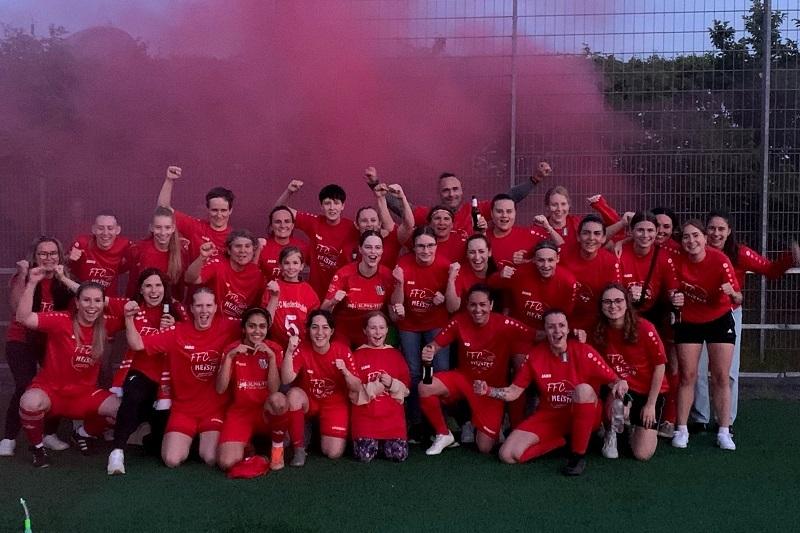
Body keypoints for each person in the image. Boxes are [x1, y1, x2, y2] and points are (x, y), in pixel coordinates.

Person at [475, 309, 626, 476]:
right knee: (507, 455)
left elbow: (615, 380)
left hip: (584, 413)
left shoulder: (584, 351)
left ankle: (578, 456)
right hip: (551, 415)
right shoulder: (535, 355)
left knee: (583, 390)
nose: (557, 331)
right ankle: (560, 442)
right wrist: (488, 390)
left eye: (562, 326)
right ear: (545, 330)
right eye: (551, 327)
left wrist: (620, 385)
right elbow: (514, 392)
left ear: (568, 329)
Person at [690, 211, 799, 430]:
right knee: (697, 369)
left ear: (729, 231)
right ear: (704, 231)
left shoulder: (740, 253)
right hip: (698, 314)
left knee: (728, 371)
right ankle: (700, 418)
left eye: (721, 229)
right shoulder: (694, 249)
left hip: (729, 315)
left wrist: (791, 257)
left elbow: (770, 270)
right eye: (711, 228)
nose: (716, 233)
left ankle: (726, 420)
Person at [124, 288, 240, 468]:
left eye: (209, 305)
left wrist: (273, 298)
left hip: (214, 409)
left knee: (211, 458)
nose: (204, 311)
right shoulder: (177, 332)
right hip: (184, 409)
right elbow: (137, 343)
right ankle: (188, 440)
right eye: (199, 306)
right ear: (191, 309)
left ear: (216, 308)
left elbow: (257, 324)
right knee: (171, 460)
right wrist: (128, 318)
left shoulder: (228, 327)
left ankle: (201, 443)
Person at [16, 272, 124, 467]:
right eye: (86, 300)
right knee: (29, 402)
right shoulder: (62, 320)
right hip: (51, 392)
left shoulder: (108, 323)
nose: (92, 306)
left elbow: (131, 309)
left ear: (103, 303)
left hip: (84, 395)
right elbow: (23, 318)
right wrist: (31, 282)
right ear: (77, 302)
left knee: (123, 410)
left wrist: (108, 301)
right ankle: (37, 448)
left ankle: (82, 434)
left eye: (97, 301)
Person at [419, 285, 532, 455]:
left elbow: (533, 334)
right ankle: (443, 434)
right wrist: (429, 353)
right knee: (424, 386)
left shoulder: (505, 323)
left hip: (490, 389)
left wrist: (566, 337)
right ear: (467, 305)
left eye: (482, 305)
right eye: (473, 305)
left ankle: (491, 424)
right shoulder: (459, 321)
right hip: (463, 379)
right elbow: (434, 345)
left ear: (491, 305)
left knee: (484, 448)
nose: (477, 309)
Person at [105, 269, 187, 475]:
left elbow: (191, 335)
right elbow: (95, 297)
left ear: (164, 288)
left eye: (158, 285)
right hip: (141, 370)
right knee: (134, 395)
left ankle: (145, 433)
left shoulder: (176, 309)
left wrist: (176, 326)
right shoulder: (132, 307)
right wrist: (62, 278)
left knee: (159, 443)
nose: (153, 290)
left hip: (170, 377)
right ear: (140, 289)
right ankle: (117, 451)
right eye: (148, 286)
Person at [669, 219, 741, 451]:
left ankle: (723, 431)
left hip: (719, 319)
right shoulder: (676, 260)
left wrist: (732, 292)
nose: (691, 241)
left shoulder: (720, 259)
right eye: (686, 237)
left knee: (721, 376)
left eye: (696, 236)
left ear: (704, 238)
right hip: (689, 321)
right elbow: (671, 291)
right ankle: (682, 429)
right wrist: (674, 299)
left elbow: (738, 298)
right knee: (687, 376)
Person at [0, 238, 75, 457]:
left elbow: (83, 298)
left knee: (58, 383)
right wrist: (25, 277)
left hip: (50, 341)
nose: (48, 258)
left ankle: (49, 434)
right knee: (25, 384)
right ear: (35, 257)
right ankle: (9, 438)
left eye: (53, 253)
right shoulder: (27, 275)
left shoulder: (64, 280)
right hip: (21, 339)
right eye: (43, 254)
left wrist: (63, 277)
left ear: (60, 257)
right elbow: (15, 307)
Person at [368, 162, 552, 236]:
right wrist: (375, 184)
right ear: (440, 194)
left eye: (455, 189)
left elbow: (507, 199)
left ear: (462, 190)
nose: (451, 194)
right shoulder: (433, 215)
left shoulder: (475, 210)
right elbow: (402, 207)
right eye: (446, 190)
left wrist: (534, 180)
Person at [593, 284, 667, 461]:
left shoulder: (645, 328)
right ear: (601, 306)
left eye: (618, 301)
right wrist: (614, 381)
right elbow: (595, 366)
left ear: (627, 303)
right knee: (617, 404)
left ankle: (632, 426)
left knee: (642, 454)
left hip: (646, 392)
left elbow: (660, 366)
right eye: (607, 302)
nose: (613, 306)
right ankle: (611, 432)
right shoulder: (597, 331)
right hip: (618, 388)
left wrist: (650, 405)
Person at [391, 226, 451, 438]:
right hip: (410, 326)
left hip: (436, 324)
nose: (426, 250)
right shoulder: (403, 264)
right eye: (421, 246)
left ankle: (438, 423)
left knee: (438, 369)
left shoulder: (444, 266)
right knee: (415, 371)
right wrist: (399, 285)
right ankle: (416, 422)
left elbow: (452, 305)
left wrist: (443, 298)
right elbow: (395, 304)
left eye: (430, 245)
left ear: (436, 246)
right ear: (414, 248)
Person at [216, 307, 289, 472]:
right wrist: (229, 358)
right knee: (226, 463)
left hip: (266, 410)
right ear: (244, 328)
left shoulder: (274, 349)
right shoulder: (231, 349)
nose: (257, 331)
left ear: (267, 329)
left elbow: (274, 389)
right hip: (241, 412)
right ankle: (251, 450)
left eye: (262, 326)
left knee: (279, 400)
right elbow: (220, 389)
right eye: (252, 326)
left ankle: (277, 451)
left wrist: (270, 358)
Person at [280, 310, 355, 466]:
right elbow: (287, 379)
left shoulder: (342, 350)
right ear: (308, 330)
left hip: (334, 403)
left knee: (333, 453)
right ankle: (299, 449)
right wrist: (289, 352)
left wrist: (346, 373)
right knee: (293, 394)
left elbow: (357, 387)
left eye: (325, 327)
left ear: (332, 331)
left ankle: (312, 431)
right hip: (309, 400)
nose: (320, 332)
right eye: (315, 327)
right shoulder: (302, 348)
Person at [336, 312, 411, 462]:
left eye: (382, 328)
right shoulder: (355, 356)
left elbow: (406, 390)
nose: (378, 332)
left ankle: (385, 443)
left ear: (387, 330)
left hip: (392, 420)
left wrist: (392, 383)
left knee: (398, 455)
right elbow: (352, 394)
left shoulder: (395, 355)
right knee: (365, 456)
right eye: (373, 328)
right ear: (365, 330)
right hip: (366, 419)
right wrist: (372, 389)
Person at [275, 180, 360, 298]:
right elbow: (279, 212)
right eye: (327, 203)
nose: (332, 207)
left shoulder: (352, 228)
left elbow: (378, 230)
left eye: (336, 203)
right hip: (315, 292)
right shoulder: (314, 222)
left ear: (343, 206)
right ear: (321, 206)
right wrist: (289, 192)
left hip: (342, 292)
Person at [488, 240, 578, 337]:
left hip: (550, 334)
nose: (546, 265)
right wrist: (500, 276)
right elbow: (490, 284)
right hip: (522, 331)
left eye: (550, 260)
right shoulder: (521, 273)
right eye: (541, 260)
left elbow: (566, 316)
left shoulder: (568, 281)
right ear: (534, 260)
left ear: (557, 259)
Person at [322, 231, 393, 346]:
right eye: (368, 247)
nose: (373, 251)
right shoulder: (344, 274)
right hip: (344, 334)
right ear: (360, 249)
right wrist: (333, 302)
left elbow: (393, 316)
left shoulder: (387, 275)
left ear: (382, 250)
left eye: (378, 247)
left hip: (371, 335)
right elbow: (323, 311)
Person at [559, 214, 620, 333]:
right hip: (563, 321)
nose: (591, 238)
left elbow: (615, 296)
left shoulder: (610, 262)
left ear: (603, 238)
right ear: (578, 236)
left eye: (597, 234)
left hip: (597, 323)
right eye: (586, 233)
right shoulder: (562, 255)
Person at [157, 165, 234, 260]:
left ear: (230, 211)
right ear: (208, 209)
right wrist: (169, 180)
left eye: (223, 210)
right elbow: (163, 210)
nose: (219, 215)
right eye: (214, 210)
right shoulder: (195, 227)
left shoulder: (235, 237)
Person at [185, 229, 264, 319]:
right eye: (238, 246)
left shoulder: (257, 274)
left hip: (238, 327)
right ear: (229, 250)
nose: (243, 250)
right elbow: (190, 279)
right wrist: (202, 257)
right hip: (213, 323)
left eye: (247, 246)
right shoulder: (218, 264)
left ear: (253, 250)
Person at [340, 175, 414, 268]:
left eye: (373, 220)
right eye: (364, 221)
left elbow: (409, 225)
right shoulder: (349, 249)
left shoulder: (391, 239)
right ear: (356, 225)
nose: (369, 224)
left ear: (379, 224)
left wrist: (402, 198)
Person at [614, 211, 679, 313]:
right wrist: (627, 296)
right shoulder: (619, 253)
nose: (645, 235)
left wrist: (676, 298)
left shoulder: (664, 257)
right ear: (631, 231)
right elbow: (614, 291)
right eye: (640, 230)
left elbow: (672, 290)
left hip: (652, 311)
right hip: (623, 310)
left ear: (657, 231)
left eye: (650, 230)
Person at [125, 206, 190, 299]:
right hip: (141, 306)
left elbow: (180, 289)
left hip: (169, 308)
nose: (163, 233)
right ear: (151, 227)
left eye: (167, 227)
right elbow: (133, 284)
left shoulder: (182, 251)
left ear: (173, 228)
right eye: (158, 227)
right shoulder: (138, 249)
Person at [485, 193, 562, 270]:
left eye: (509, 211)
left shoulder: (529, 234)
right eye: (499, 211)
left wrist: (548, 227)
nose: (504, 215)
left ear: (515, 213)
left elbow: (561, 246)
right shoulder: (483, 238)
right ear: (492, 213)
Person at [262, 246, 320, 347]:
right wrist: (274, 296)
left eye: (295, 263)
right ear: (280, 265)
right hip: (276, 344)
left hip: (302, 346)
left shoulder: (309, 291)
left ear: (302, 266)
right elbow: (264, 321)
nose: (291, 267)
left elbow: (314, 323)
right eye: (287, 263)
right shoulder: (273, 287)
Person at [68, 212, 131, 294]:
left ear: (118, 230)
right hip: (83, 298)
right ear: (93, 229)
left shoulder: (125, 245)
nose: (105, 233)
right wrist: (69, 259)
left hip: (108, 301)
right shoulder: (81, 243)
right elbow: (63, 266)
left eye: (110, 228)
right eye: (101, 228)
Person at [257, 205, 309, 283]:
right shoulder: (262, 247)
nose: (283, 226)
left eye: (287, 221)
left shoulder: (303, 247)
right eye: (278, 222)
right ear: (271, 226)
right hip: (267, 293)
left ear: (292, 225)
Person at [445, 234, 495, 313]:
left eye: (481, 251)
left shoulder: (497, 271)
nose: (477, 257)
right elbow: (452, 308)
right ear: (467, 254)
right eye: (472, 252)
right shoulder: (460, 272)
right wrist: (451, 279)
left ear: (489, 252)